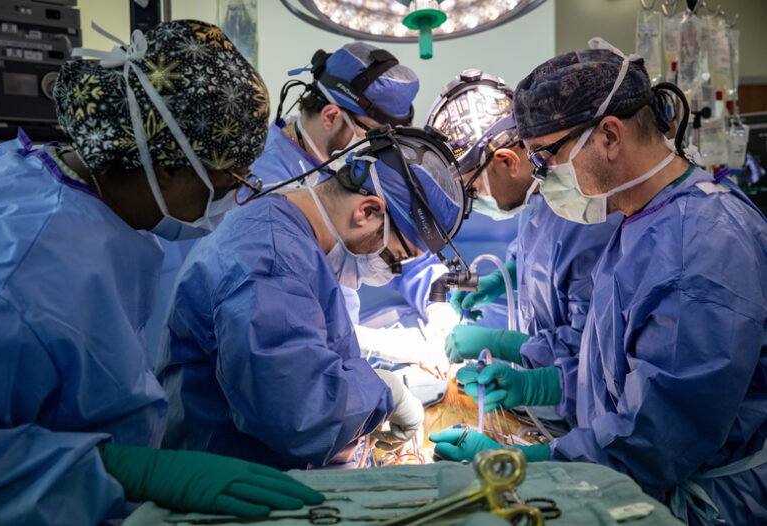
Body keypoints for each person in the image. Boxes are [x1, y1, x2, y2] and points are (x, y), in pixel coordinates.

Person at [0, 20, 323, 525]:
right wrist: (118, 470)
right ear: (165, 165)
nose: (231, 200)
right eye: (227, 182)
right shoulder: (25, 268)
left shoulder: (73, 192)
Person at [435, 40, 767, 525]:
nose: (542, 180)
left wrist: (527, 465)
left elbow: (656, 437)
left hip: (701, 504)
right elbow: (615, 378)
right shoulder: (639, 221)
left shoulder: (698, 247)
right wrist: (543, 384)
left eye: (547, 159)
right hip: (635, 475)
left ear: (609, 136)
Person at [157, 127, 467, 470]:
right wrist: (385, 391)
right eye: (394, 259)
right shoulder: (271, 262)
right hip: (233, 486)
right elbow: (298, 414)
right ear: (366, 212)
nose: (391, 274)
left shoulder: (292, 236)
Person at [430, 69, 621, 422]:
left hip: (588, 412)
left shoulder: (586, 214)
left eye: (472, 190)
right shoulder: (543, 198)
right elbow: (537, 258)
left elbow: (592, 352)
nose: (472, 202)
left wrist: (501, 342)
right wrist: (497, 282)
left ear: (506, 161)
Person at [252, 42, 418, 328]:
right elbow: (273, 314)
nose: (378, 150)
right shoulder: (263, 182)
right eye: (372, 135)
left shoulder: (338, 171)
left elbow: (396, 239)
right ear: (330, 116)